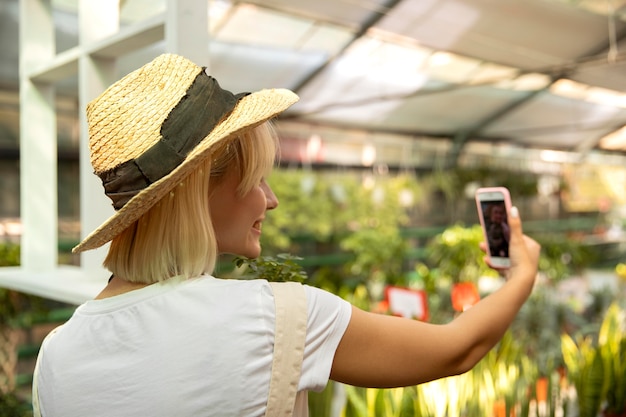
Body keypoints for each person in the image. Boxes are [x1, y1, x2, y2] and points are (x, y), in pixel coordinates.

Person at [33, 54, 540, 417]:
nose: (270, 200)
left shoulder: (55, 356)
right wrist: (522, 272)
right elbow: (457, 349)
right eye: (256, 180)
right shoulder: (276, 318)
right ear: (199, 193)